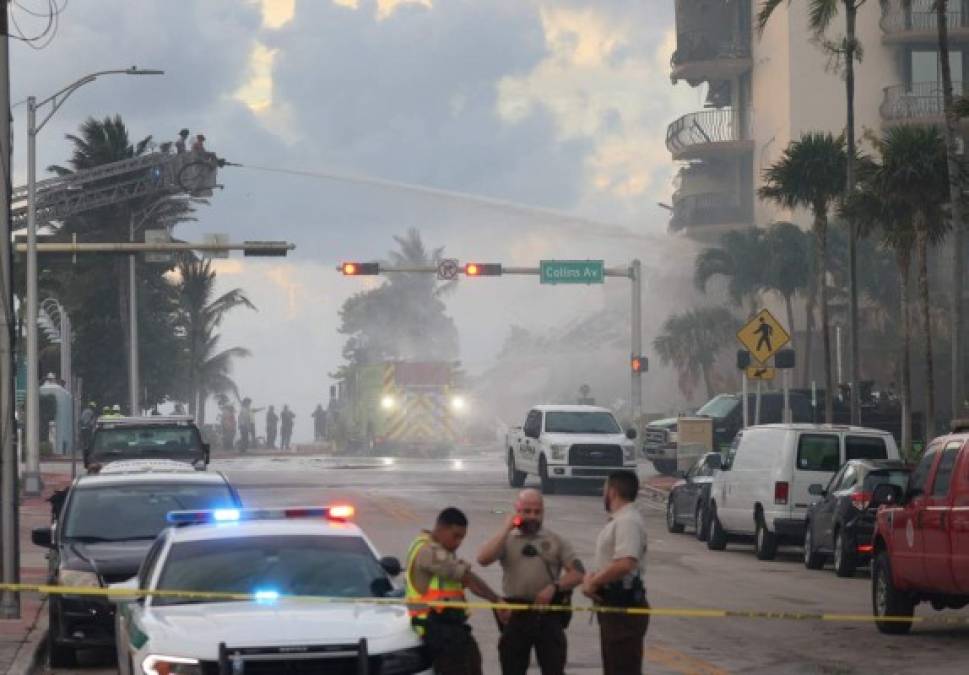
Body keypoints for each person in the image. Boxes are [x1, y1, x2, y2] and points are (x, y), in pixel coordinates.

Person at [477, 489, 584, 675]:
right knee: (512, 668)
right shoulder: (507, 540)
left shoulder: (555, 540)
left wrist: (555, 587)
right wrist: (506, 529)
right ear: (516, 511)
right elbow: (483, 559)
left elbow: (578, 573)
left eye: (537, 512)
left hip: (548, 613)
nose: (532, 516)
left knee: (554, 668)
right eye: (526, 511)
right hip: (515, 614)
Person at [405, 507, 502, 675]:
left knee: (473, 663)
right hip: (436, 627)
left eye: (462, 538)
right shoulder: (429, 551)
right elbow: (467, 578)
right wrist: (496, 600)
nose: (458, 542)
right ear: (440, 529)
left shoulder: (439, 549)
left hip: (451, 627)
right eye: (455, 536)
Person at [583, 471, 650, 675]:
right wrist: (592, 577)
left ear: (612, 491)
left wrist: (594, 582)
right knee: (614, 666)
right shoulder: (619, 520)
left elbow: (625, 563)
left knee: (622, 668)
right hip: (613, 605)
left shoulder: (627, 521)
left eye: (605, 489)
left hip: (623, 606)